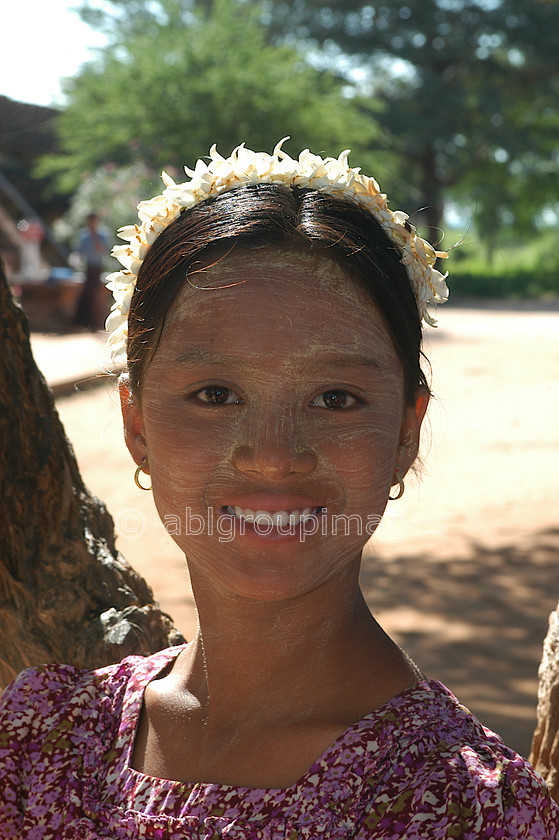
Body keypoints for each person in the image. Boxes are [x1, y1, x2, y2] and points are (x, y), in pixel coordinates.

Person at [0, 141, 557, 838]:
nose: (272, 457)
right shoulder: (41, 742)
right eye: (214, 393)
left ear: (405, 435)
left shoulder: (465, 809)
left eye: (335, 397)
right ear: (136, 424)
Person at [72, 211, 110, 330]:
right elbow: (80, 251)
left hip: (98, 267)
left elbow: (102, 250)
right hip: (88, 267)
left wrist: (95, 237)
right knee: (86, 294)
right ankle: (84, 322)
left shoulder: (102, 234)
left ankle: (95, 323)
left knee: (95, 295)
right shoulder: (84, 235)